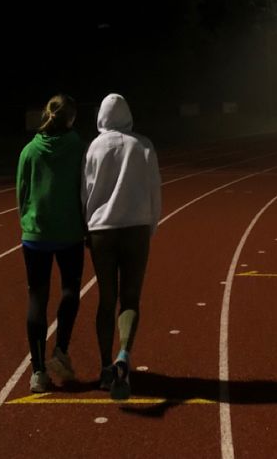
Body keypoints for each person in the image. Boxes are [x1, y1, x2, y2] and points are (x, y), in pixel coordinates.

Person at [82, 93, 161, 400]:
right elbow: (155, 189)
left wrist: (87, 227)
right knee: (130, 298)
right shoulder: (143, 145)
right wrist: (150, 225)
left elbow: (85, 190)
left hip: (102, 229)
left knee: (105, 298)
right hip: (136, 228)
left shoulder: (94, 148)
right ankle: (124, 353)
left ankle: (104, 368)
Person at [16, 93, 86, 393]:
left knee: (37, 297)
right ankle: (61, 350)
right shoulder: (78, 147)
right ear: (71, 118)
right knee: (70, 289)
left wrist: (29, 221)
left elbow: (21, 192)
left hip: (36, 234)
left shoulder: (29, 151)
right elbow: (86, 186)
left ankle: (38, 372)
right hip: (69, 231)